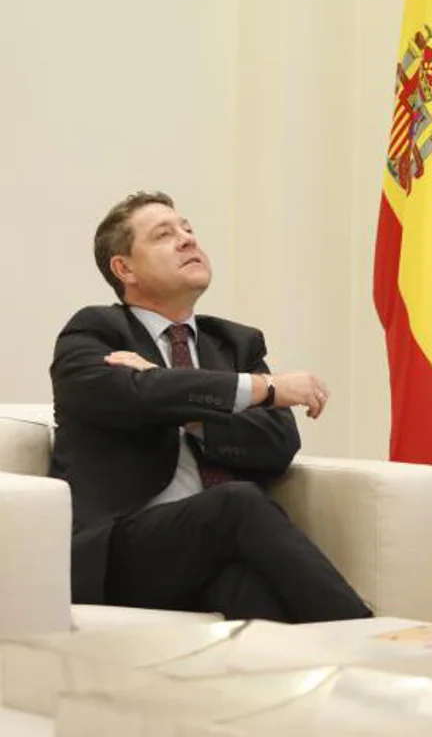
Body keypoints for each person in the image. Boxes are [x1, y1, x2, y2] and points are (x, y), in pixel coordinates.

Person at [50, 191, 372, 622]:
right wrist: (262, 389)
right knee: (236, 501)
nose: (186, 239)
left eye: (188, 228)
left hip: (208, 552)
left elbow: (278, 441)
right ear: (124, 268)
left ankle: (351, 679)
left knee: (250, 592)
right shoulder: (94, 332)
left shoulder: (235, 343)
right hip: (120, 552)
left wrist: (182, 400)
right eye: (164, 234)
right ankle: (370, 632)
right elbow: (132, 395)